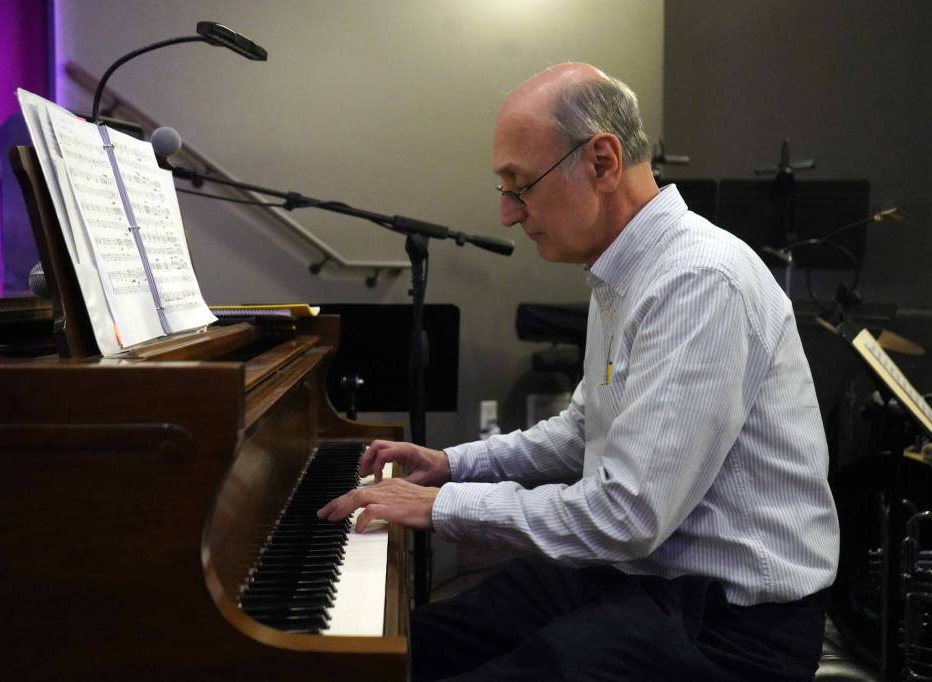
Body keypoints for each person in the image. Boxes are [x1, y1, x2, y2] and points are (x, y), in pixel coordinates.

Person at [318, 63, 839, 681]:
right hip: (647, 581)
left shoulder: (699, 280)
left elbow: (626, 518)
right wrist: (454, 465)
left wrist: (439, 506)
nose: (509, 214)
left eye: (521, 186)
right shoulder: (623, 269)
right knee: (413, 648)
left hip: (729, 627)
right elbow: (583, 428)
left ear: (602, 162)